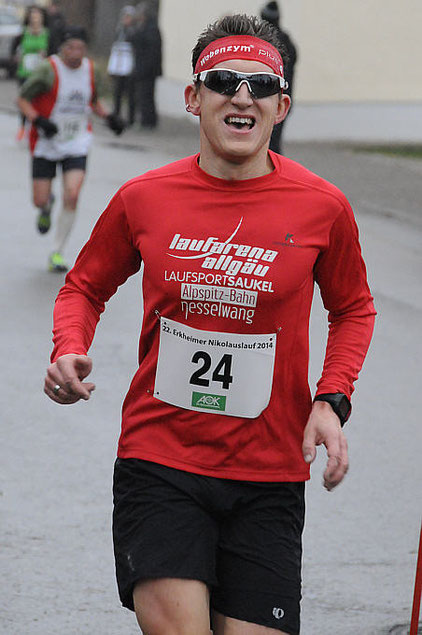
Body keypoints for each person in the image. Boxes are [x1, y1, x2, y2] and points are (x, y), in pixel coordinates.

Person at [43, 13, 376, 634]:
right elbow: (84, 286)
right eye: (223, 79)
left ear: (282, 106)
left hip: (270, 471)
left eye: (261, 84)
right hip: (161, 459)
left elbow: (353, 307)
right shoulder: (145, 197)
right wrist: (69, 346)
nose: (242, 95)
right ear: (194, 98)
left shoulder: (322, 206)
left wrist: (332, 399)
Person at [17, 26, 125, 273]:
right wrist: (38, 120)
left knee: (73, 194)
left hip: (77, 140)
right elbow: (22, 98)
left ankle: (57, 251)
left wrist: (109, 117)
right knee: (39, 199)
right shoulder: (48, 70)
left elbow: (93, 100)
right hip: (47, 141)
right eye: (71, 48)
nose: (76, 53)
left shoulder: (90, 70)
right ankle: (46, 206)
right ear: (62, 49)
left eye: (80, 48)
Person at [261, 0, 297, 154]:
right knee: (273, 140)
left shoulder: (266, 42)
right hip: (283, 99)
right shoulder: (287, 41)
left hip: (268, 97)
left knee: (267, 142)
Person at [12, 5, 49, 141]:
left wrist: (46, 55)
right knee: (24, 99)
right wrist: (16, 56)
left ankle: (35, 127)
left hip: (40, 73)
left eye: (37, 16)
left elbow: (53, 51)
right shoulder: (23, 32)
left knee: (38, 101)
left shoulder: (46, 33)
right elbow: (14, 47)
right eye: (32, 16)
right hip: (25, 71)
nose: (35, 19)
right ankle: (22, 127)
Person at [130, 1, 162, 128]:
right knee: (144, 95)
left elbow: (150, 50)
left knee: (147, 96)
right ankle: (146, 120)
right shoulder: (146, 28)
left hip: (148, 69)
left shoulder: (150, 29)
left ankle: (148, 121)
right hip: (144, 68)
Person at [107, 5, 137, 127]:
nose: (126, 19)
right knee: (117, 92)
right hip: (119, 66)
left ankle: (131, 119)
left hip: (129, 67)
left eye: (128, 17)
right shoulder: (119, 30)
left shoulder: (134, 31)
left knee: (130, 94)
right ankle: (116, 115)